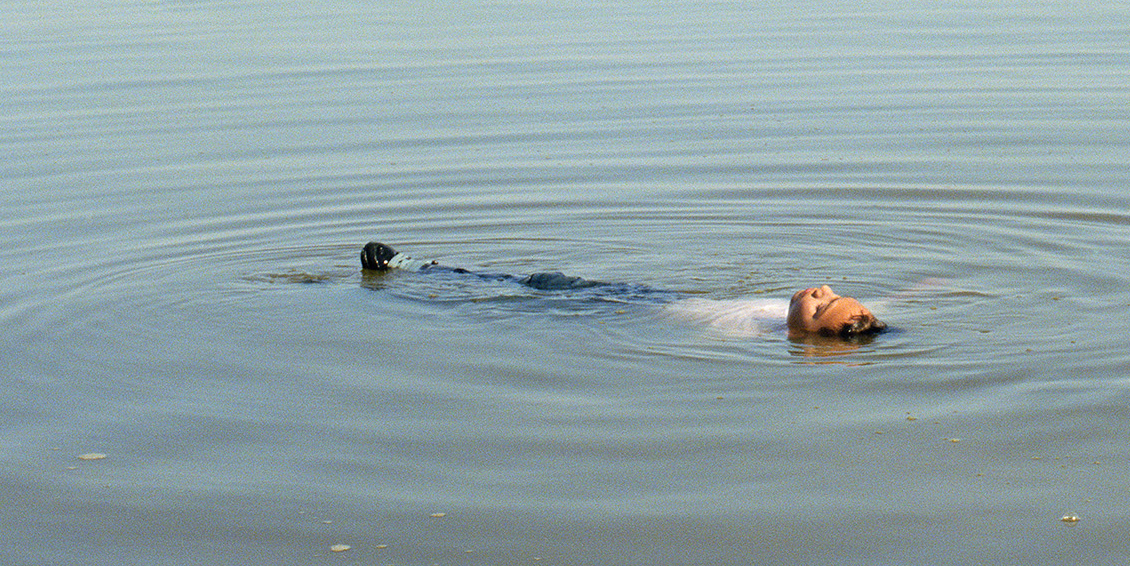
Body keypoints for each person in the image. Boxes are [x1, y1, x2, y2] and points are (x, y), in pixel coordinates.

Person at [357, 241, 887, 338]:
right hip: (650, 293)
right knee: (539, 283)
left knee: (540, 286)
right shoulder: (798, 320)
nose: (819, 288)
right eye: (831, 289)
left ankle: (418, 269)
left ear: (805, 337)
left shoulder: (751, 334)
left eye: (821, 304)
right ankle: (433, 270)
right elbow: (881, 318)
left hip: (615, 310)